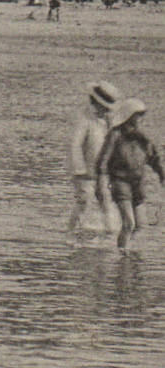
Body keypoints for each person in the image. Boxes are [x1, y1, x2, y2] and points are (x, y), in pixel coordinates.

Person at [95, 98, 164, 249]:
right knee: (129, 223)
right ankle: (122, 255)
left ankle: (126, 249)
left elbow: (154, 159)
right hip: (120, 182)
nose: (139, 119)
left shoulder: (143, 139)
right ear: (128, 116)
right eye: (136, 116)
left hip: (137, 184)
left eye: (140, 116)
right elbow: (103, 160)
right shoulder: (115, 135)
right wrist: (100, 181)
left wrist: (161, 175)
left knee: (139, 225)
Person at [69, 81, 121, 232]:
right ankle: (72, 231)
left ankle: (110, 231)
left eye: (107, 108)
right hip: (85, 172)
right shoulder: (85, 120)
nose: (105, 111)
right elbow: (75, 145)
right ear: (95, 103)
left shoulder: (108, 123)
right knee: (83, 201)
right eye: (102, 107)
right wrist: (80, 169)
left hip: (102, 171)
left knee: (105, 200)